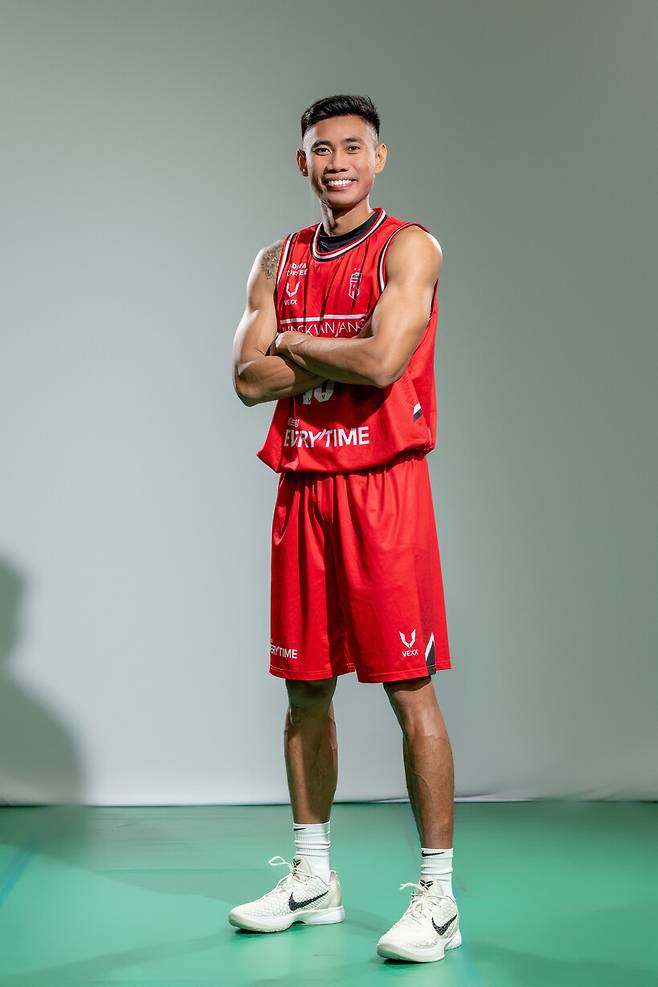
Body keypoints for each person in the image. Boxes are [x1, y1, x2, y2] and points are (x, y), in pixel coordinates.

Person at [229, 93, 460, 964]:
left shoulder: (409, 246)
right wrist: (328, 351)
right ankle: (313, 877)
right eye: (322, 150)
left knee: (410, 691)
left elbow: (383, 358)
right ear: (303, 163)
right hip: (303, 490)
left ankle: (438, 896)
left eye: (353, 148)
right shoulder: (275, 259)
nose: (338, 163)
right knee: (305, 692)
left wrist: (292, 344)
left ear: (379, 158)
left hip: (383, 492)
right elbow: (245, 381)